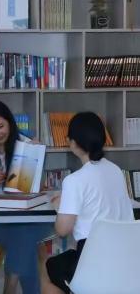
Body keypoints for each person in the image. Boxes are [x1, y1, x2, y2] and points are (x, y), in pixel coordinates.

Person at [43, 112, 133, 294]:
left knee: (46, 269)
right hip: (124, 262)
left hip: (91, 265)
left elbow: (62, 231)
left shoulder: (74, 181)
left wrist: (60, 206)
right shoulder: (116, 171)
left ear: (72, 143)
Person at [0, 100, 52, 294]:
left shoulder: (26, 144)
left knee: (23, 233)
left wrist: (36, 157)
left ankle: (10, 286)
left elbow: (39, 187)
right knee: (24, 238)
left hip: (31, 217)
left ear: (9, 122)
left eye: (0, 126)